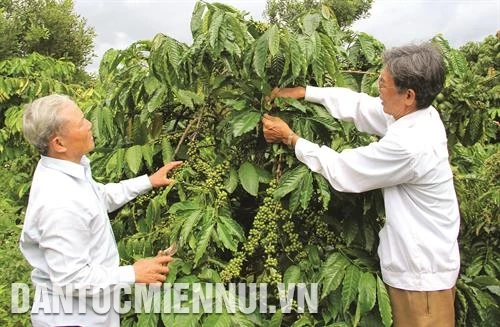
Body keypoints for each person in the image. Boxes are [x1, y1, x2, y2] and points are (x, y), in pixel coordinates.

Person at [262, 43, 459, 326]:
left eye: (382, 84)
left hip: (421, 278)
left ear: (408, 95)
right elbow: (361, 106)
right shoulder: (420, 115)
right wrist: (306, 92)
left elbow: (344, 171)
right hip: (420, 266)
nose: (377, 89)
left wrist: (291, 138)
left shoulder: (410, 145)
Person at [20, 94, 182, 326]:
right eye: (81, 122)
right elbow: (70, 279)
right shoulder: (59, 201)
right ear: (59, 143)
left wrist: (149, 181)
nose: (89, 124)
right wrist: (134, 273)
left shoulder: (67, 168)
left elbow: (98, 197)